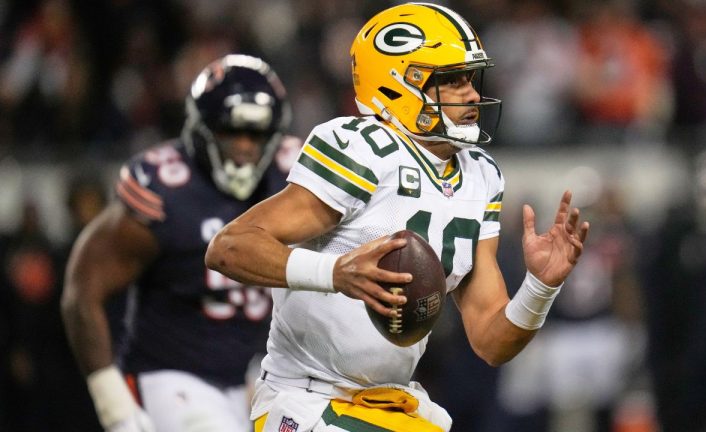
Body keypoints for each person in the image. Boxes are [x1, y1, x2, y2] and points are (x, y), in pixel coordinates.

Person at [205, 4, 589, 432]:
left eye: (470, 78)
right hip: (310, 399)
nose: (473, 94)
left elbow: (491, 341)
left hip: (392, 403)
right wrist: (336, 272)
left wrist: (540, 286)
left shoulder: (482, 175)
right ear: (397, 84)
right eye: (451, 80)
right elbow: (229, 247)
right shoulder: (360, 148)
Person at [61, 54, 297, 432]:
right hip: (173, 376)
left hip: (261, 375)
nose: (244, 147)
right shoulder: (167, 189)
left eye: (255, 134)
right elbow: (82, 289)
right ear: (200, 128)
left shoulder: (293, 177)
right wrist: (111, 399)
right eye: (229, 131)